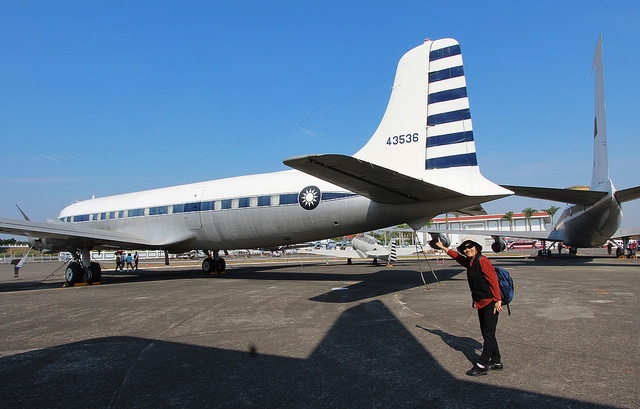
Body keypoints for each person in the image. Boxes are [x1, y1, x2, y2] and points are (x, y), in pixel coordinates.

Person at [434, 237, 503, 376]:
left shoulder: (482, 260)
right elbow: (457, 257)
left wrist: (497, 300)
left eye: (470, 246)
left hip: (490, 302)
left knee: (488, 334)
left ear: (476, 248)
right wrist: (444, 248)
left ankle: (482, 364)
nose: (468, 249)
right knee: (487, 333)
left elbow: (493, 280)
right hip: (481, 302)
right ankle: (496, 361)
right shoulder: (470, 262)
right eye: (465, 248)